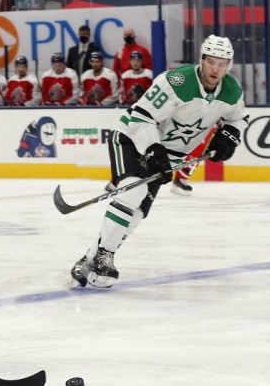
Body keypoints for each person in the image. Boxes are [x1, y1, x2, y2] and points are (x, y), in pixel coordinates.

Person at [67, 35, 246, 289]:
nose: (216, 69)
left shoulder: (232, 90)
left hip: (169, 156)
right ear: (201, 60)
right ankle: (105, 255)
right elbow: (142, 117)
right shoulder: (176, 81)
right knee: (135, 191)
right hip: (131, 139)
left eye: (222, 63)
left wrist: (229, 136)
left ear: (228, 65)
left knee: (138, 213)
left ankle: (89, 259)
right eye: (211, 62)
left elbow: (237, 119)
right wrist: (153, 149)